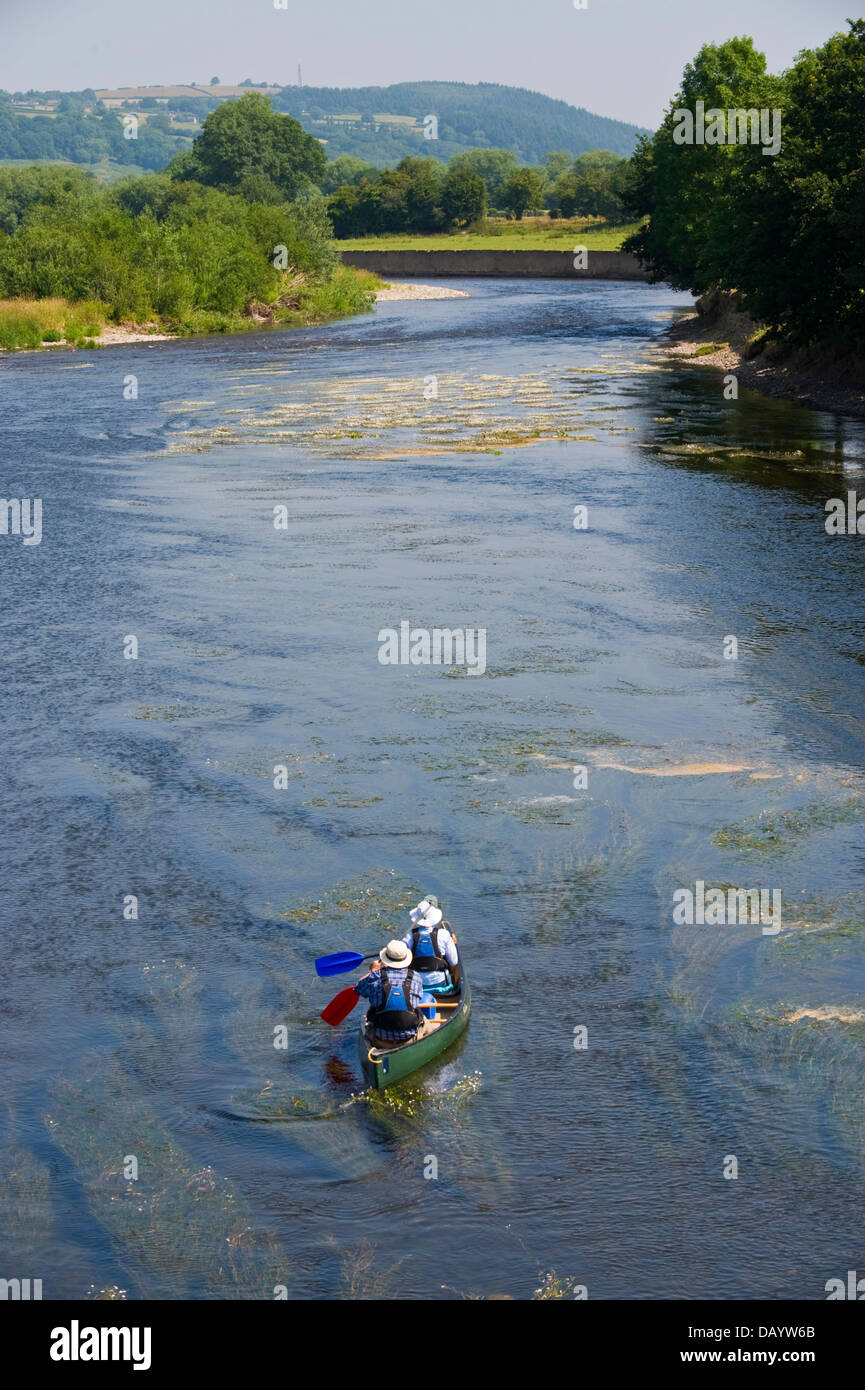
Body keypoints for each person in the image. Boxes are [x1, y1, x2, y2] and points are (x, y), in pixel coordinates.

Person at [355, 939, 426, 1044]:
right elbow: (417, 999)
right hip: (409, 1035)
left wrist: (372, 971)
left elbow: (358, 989)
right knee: (426, 1021)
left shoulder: (375, 976)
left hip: (380, 1035)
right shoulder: (416, 977)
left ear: (385, 959)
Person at [403, 896, 459, 992]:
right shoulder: (444, 934)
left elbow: (401, 961)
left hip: (416, 985)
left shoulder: (409, 936)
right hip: (440, 983)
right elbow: (453, 962)